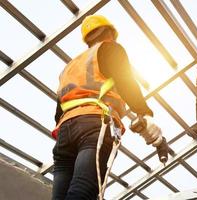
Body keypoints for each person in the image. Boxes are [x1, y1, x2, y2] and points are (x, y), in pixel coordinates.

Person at [51, 15, 163, 200]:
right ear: (111, 32)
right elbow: (125, 81)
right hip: (94, 125)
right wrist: (145, 113)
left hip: (65, 132)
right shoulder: (110, 48)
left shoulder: (70, 66)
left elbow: (59, 110)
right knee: (83, 190)